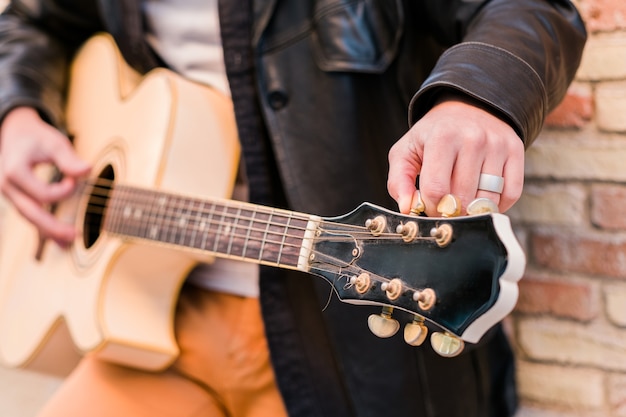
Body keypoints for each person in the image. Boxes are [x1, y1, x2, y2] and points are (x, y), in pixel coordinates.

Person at [0, 1, 585, 417]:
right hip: (157, 319)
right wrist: (17, 111)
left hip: (339, 337)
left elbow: (533, 8)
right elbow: (33, 20)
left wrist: (475, 96)